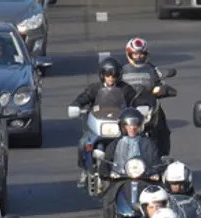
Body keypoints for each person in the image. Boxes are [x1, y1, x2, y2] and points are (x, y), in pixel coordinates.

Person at [72, 57, 142, 185]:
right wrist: (76, 106)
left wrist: (141, 109)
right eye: (108, 74)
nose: (111, 78)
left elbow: (137, 101)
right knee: (83, 143)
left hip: (118, 126)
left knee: (137, 142)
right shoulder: (95, 88)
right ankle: (85, 169)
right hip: (98, 126)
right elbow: (83, 98)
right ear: (102, 75)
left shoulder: (126, 89)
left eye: (114, 75)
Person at [120, 37, 172, 157]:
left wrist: (161, 90)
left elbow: (160, 83)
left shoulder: (153, 69)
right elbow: (116, 87)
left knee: (162, 127)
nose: (138, 57)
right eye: (135, 54)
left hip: (149, 104)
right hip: (128, 106)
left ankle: (162, 155)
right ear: (129, 54)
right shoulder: (122, 71)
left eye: (141, 54)